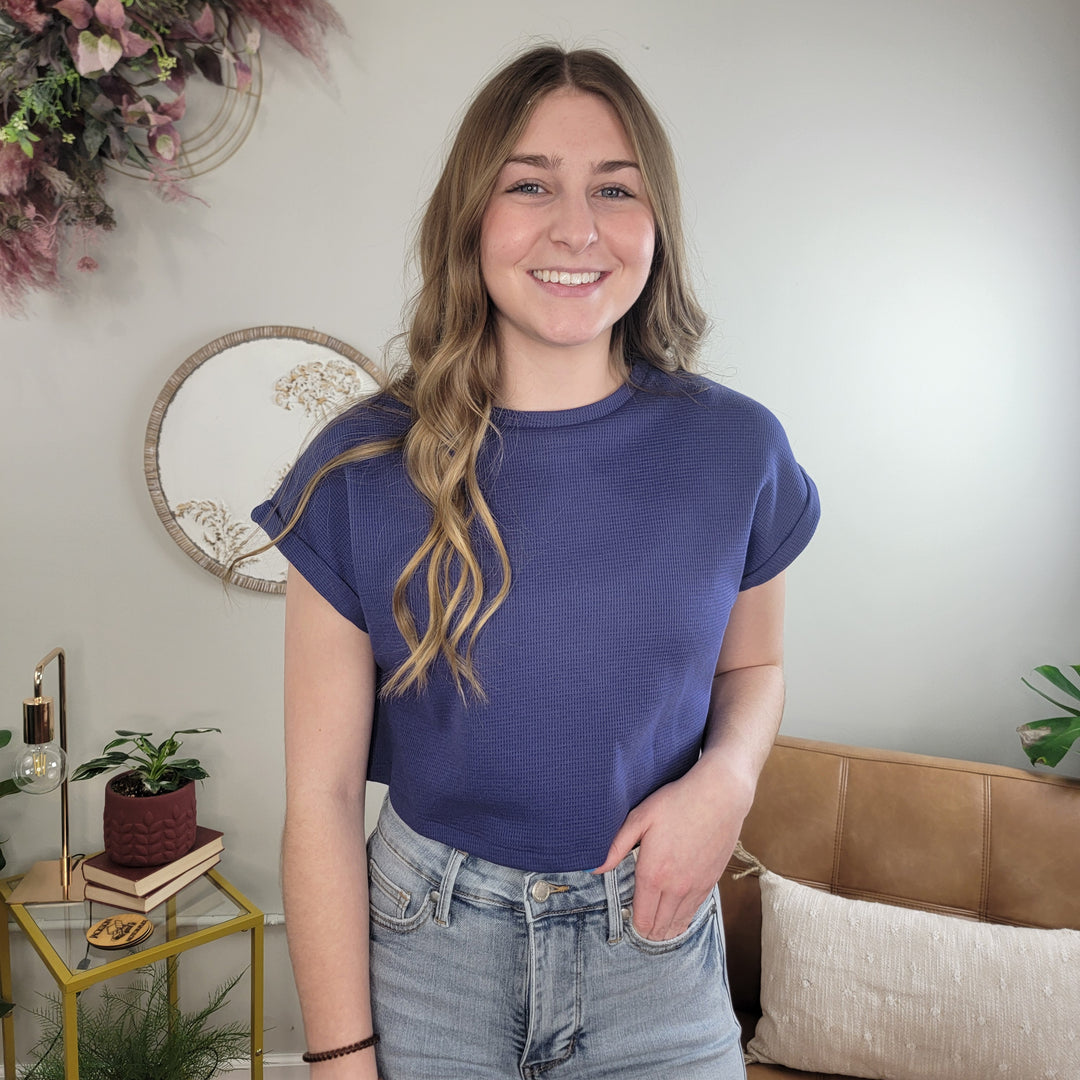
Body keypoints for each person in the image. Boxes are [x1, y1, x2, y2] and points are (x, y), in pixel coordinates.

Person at [251, 44, 819, 1080]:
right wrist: (338, 1060)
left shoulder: (737, 450)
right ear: (472, 215)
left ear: (658, 223)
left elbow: (754, 670)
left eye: (615, 188)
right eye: (530, 184)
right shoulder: (358, 469)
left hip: (651, 949)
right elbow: (321, 802)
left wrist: (727, 783)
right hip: (426, 951)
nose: (576, 227)